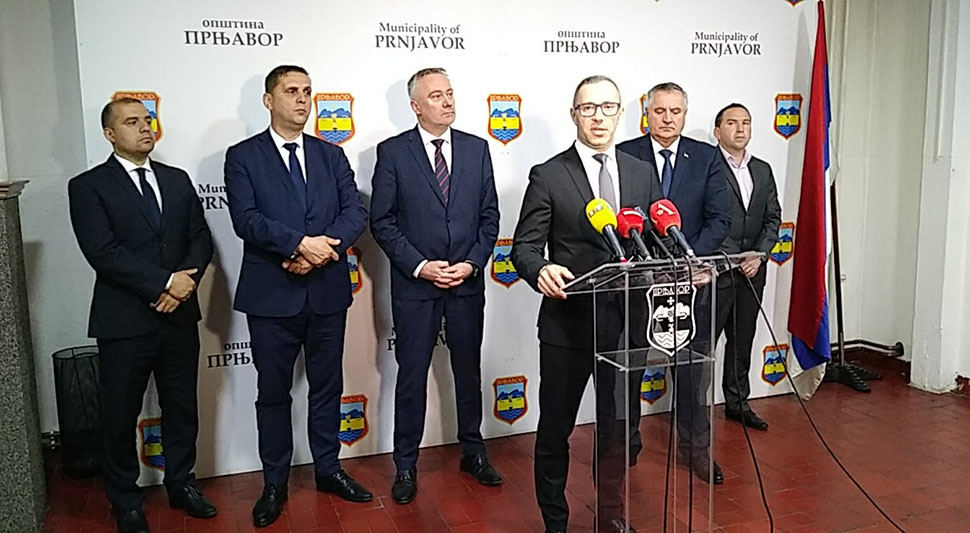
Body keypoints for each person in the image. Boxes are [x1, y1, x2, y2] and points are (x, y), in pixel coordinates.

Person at [511, 75, 662, 533]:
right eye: (589, 108)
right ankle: (555, 522)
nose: (599, 117)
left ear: (622, 113)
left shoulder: (641, 171)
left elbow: (654, 239)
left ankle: (611, 516)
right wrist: (540, 269)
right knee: (555, 430)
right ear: (574, 115)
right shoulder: (549, 174)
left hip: (627, 326)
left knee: (617, 430)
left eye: (608, 107)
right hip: (569, 327)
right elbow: (524, 247)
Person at [223, 65, 370, 528]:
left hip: (326, 292)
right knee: (272, 393)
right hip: (272, 296)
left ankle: (328, 469)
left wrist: (320, 252)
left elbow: (355, 212)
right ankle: (275, 483)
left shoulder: (331, 154)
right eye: (291, 91)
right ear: (269, 101)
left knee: (327, 388)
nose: (303, 99)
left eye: (307, 91)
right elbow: (246, 219)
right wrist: (299, 244)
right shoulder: (243, 156)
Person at [68, 98, 215, 533]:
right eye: (131, 122)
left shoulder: (176, 179)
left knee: (181, 408)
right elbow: (103, 252)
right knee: (119, 415)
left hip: (178, 317)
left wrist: (184, 284)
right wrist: (165, 283)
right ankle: (126, 501)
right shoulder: (88, 186)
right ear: (110, 134)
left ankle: (182, 483)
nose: (144, 128)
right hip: (124, 322)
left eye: (147, 120)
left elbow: (200, 238)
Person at [370, 67, 502, 505]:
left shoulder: (477, 148)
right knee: (411, 376)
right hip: (417, 286)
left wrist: (472, 263)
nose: (447, 102)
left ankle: (473, 452)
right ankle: (405, 465)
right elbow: (382, 221)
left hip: (466, 282)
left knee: (468, 370)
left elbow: (489, 217)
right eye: (435, 96)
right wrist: (421, 266)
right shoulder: (393, 152)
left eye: (449, 93)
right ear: (415, 106)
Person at [617, 82, 731, 484]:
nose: (667, 119)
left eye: (675, 111)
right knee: (628, 371)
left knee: (692, 375)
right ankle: (625, 449)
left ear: (685, 114)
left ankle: (696, 451)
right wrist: (645, 263)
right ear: (646, 113)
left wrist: (688, 258)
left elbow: (720, 218)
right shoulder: (623, 154)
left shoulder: (706, 157)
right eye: (660, 111)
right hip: (638, 284)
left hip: (691, 283)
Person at [712, 103, 782, 430]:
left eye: (746, 123)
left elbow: (773, 218)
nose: (740, 129)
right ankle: (693, 412)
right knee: (703, 345)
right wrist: (731, 257)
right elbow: (705, 220)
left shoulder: (763, 169)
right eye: (732, 123)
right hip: (717, 272)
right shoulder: (707, 167)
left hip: (753, 273)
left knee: (742, 342)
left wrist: (760, 254)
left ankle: (737, 403)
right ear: (718, 131)